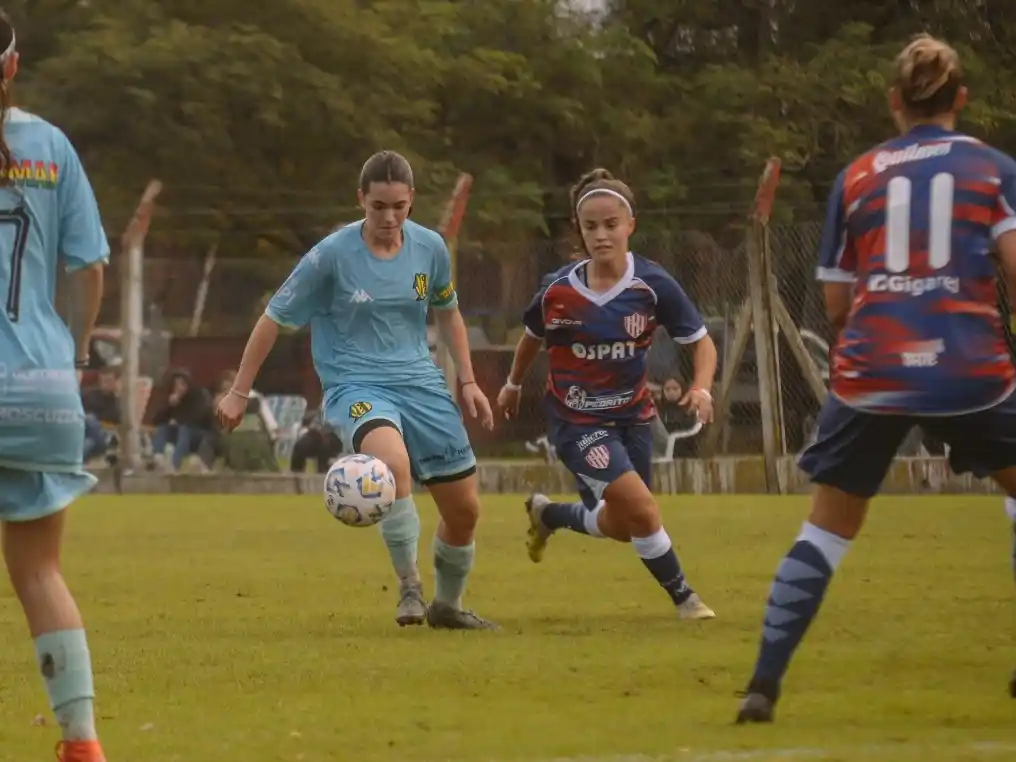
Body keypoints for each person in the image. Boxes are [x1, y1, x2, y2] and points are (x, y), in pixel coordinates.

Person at [736, 34, 1016, 723]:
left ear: (894, 102)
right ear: (961, 99)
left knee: (827, 529)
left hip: (873, 368)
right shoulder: (994, 169)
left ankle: (762, 687)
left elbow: (836, 304)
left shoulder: (857, 176)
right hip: (970, 367)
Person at [217, 150, 497, 630]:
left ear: (412, 201)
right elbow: (272, 319)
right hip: (356, 385)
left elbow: (448, 310)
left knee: (465, 511)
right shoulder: (330, 256)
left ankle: (447, 606)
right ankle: (409, 588)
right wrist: (239, 392)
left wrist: (468, 380)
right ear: (361, 200)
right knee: (392, 464)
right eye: (378, 207)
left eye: (399, 207)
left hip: (422, 384)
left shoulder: (430, 248)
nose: (389, 218)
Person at [497, 168, 718, 621]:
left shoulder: (652, 285)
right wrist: (513, 384)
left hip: (634, 418)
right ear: (579, 229)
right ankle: (686, 599)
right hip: (577, 422)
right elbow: (531, 338)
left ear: (630, 224)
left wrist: (701, 387)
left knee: (624, 524)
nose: (601, 235)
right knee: (644, 510)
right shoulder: (558, 289)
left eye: (611, 224)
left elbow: (702, 343)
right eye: (591, 226)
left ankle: (549, 515)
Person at [0, 14, 111, 762]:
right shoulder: (51, 145)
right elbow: (89, 269)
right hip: (42, 390)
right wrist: (69, 355)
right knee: (40, 572)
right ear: (12, 66)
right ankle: (82, 744)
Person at [149, 369, 214, 473]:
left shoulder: (197, 395)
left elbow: (197, 417)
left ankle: (175, 465)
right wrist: (169, 405)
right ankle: (157, 457)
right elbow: (156, 420)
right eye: (176, 385)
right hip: (180, 432)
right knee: (163, 428)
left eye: (182, 384)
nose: (179, 388)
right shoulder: (172, 397)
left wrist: (179, 420)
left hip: (197, 433)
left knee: (184, 429)